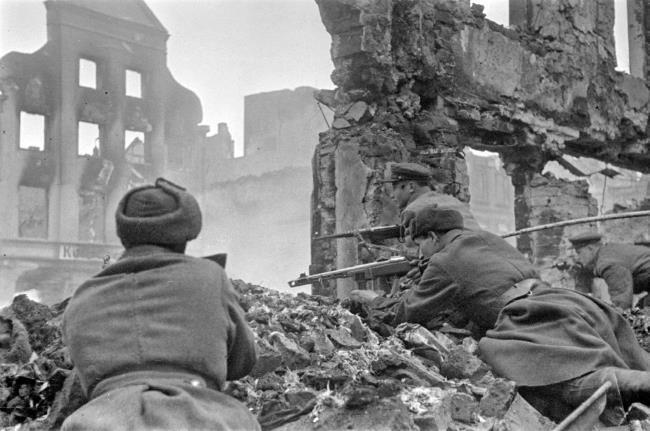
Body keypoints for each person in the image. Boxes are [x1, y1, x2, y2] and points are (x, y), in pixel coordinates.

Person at [351, 205, 650, 425]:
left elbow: (408, 311)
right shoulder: (488, 239)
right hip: (570, 303)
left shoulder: (444, 261)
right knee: (614, 359)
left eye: (419, 244)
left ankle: (636, 388)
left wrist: (374, 302)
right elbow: (479, 291)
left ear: (431, 236)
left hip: (531, 315)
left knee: (547, 371)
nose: (419, 254)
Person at [62, 178, 260, 431]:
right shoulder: (210, 277)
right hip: (198, 417)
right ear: (184, 237)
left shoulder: (82, 296)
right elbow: (243, 360)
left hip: (99, 420)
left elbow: (83, 374)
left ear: (124, 235)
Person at [569, 232, 650, 310]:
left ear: (590, 249)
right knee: (640, 309)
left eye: (578, 252)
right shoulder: (606, 252)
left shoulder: (605, 262)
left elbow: (621, 294)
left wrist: (619, 312)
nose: (576, 258)